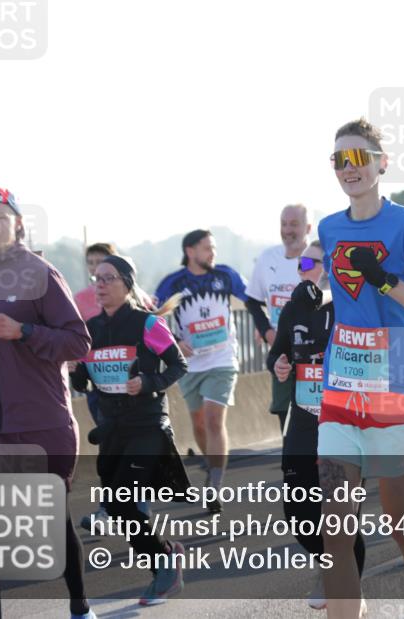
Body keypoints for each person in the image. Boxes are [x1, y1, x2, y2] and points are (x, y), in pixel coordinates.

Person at [316, 118, 404, 618]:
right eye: (339, 159)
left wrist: (385, 281)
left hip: (395, 394)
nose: (348, 168)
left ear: (382, 163)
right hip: (339, 397)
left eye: (359, 157)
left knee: (403, 523)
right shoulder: (329, 227)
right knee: (334, 530)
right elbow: (343, 296)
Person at [0, 188, 94, 619]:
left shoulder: (41, 274)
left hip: (41, 421)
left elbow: (78, 342)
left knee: (53, 520)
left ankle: (80, 606)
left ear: (18, 224)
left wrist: (25, 331)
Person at [69, 255, 191, 604]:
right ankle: (165, 561)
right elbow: (84, 382)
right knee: (122, 509)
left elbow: (178, 365)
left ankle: (165, 569)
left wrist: (147, 382)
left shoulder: (146, 324)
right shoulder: (89, 328)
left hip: (148, 424)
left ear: (126, 284)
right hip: (113, 427)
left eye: (108, 278)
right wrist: (77, 368)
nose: (100, 285)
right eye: (96, 279)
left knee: (123, 501)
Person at [265, 242, 368, 613]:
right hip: (304, 423)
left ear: (330, 268)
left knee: (340, 516)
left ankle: (347, 593)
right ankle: (330, 567)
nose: (302, 267)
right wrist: (278, 364)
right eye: (301, 262)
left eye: (310, 261)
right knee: (297, 511)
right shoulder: (293, 308)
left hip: (345, 423)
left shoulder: (351, 306)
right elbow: (275, 352)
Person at [155, 229, 248, 513]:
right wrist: (174, 342)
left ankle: (215, 485)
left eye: (214, 248)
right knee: (198, 423)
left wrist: (268, 325)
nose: (213, 253)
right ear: (190, 251)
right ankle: (212, 465)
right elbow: (155, 318)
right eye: (207, 248)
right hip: (190, 364)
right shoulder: (173, 282)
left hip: (222, 360)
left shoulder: (225, 275)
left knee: (212, 417)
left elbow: (253, 300)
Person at [246, 204, 311, 431]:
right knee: (285, 414)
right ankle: (292, 463)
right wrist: (266, 331)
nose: (287, 230)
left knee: (314, 414)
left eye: (294, 224)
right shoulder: (267, 258)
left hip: (313, 349)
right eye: (284, 224)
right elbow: (252, 300)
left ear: (307, 227)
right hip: (281, 349)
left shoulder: (313, 259)